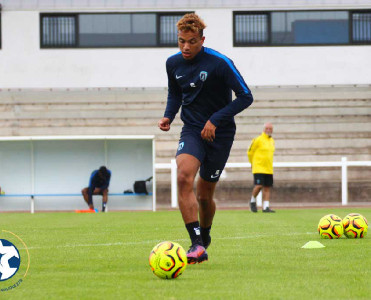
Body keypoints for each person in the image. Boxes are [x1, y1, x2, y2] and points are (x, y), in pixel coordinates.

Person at [158, 13, 253, 264]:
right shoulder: (172, 63)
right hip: (191, 129)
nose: (185, 47)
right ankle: (196, 244)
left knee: (204, 194)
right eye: (181, 42)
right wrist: (168, 115)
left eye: (191, 41)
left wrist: (215, 119)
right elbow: (175, 93)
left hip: (219, 133)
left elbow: (245, 96)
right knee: (183, 175)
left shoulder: (220, 63)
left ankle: (205, 235)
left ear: (202, 39)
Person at [247, 123, 275, 213]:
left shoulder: (272, 141)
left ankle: (266, 207)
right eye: (267, 128)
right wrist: (252, 163)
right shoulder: (257, 140)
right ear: (263, 129)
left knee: (267, 187)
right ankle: (252, 201)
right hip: (258, 167)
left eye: (270, 128)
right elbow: (249, 152)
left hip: (268, 168)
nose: (268, 130)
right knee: (258, 186)